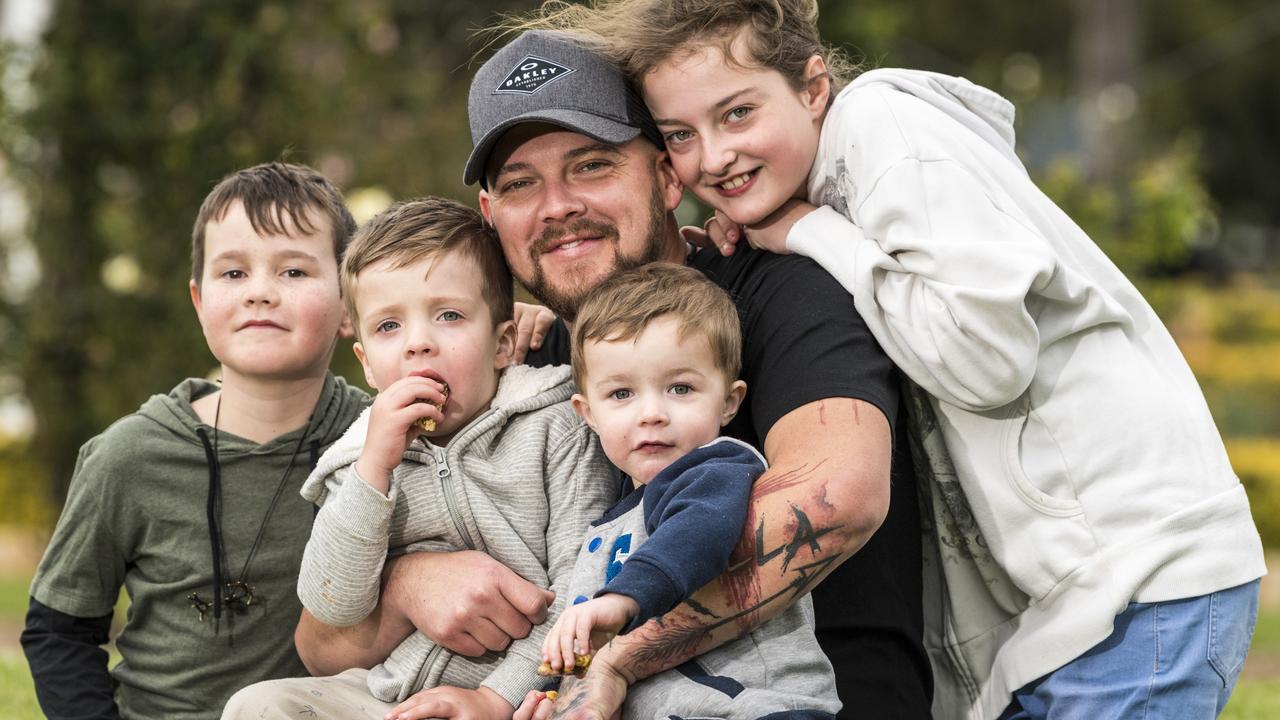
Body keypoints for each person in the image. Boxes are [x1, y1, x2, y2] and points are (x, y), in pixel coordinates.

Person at [524, 1, 1267, 718]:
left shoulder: (883, 123)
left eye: (738, 112)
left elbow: (987, 359)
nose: (715, 156)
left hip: (1140, 574)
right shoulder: (807, 191)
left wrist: (814, 231)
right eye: (681, 134)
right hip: (1071, 608)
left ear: (814, 88)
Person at [289, 29, 931, 720]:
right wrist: (409, 582)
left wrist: (620, 649)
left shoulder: (780, 294)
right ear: (490, 216)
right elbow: (321, 643)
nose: (557, 204)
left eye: (591, 166)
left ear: (665, 174)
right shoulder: (519, 368)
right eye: (520, 184)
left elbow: (842, 501)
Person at [221, 196, 620, 720]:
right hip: (391, 692)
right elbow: (332, 604)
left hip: (527, 692)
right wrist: (373, 470)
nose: (418, 344)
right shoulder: (357, 460)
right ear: (364, 362)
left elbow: (582, 589)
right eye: (388, 327)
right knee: (259, 706)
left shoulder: (557, 428)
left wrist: (495, 698)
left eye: (449, 316)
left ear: (503, 343)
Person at [20, 161, 370, 720]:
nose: (260, 293)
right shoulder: (127, 458)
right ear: (199, 301)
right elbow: (59, 633)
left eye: (294, 272)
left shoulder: (384, 437)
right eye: (233, 273)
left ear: (351, 305)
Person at [521, 262, 841, 719]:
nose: (651, 412)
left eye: (680, 387)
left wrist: (620, 601)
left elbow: (698, 534)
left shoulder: (720, 470)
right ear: (586, 412)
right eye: (621, 394)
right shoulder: (607, 524)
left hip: (759, 708)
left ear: (729, 401)